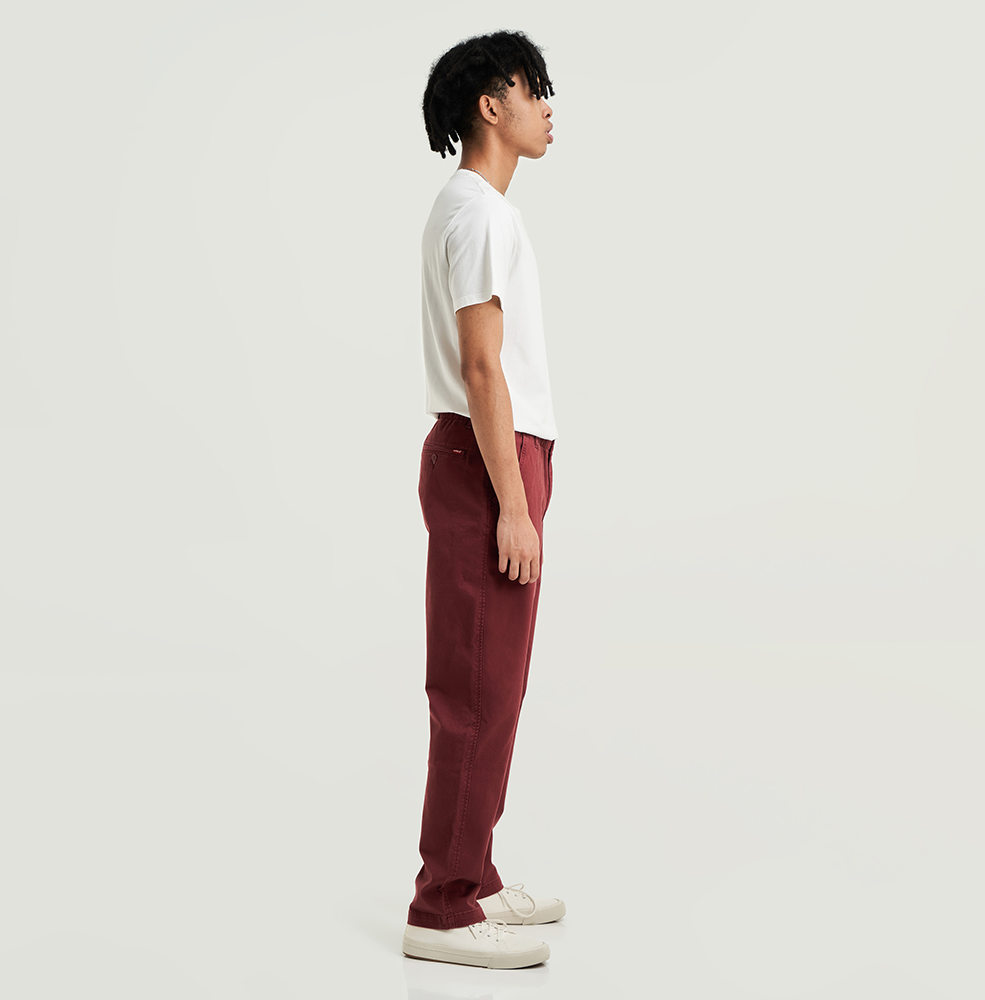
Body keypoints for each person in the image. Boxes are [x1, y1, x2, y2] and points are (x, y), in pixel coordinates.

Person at [401, 30, 566, 971]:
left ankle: (475, 873)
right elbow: (480, 366)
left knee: (494, 685)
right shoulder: (476, 214)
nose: (548, 107)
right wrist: (512, 501)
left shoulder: (480, 211)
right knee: (474, 690)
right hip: (485, 460)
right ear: (489, 105)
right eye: (533, 89)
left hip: (495, 456)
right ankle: (443, 905)